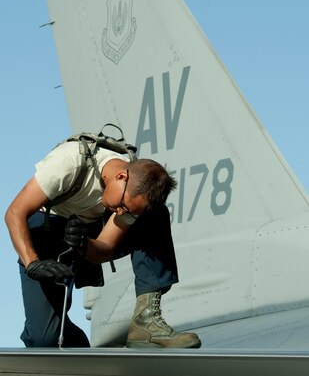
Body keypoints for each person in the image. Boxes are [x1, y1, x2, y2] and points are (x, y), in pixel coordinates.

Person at [5, 140, 201, 348]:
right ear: (121, 176)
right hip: (45, 231)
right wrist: (32, 263)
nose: (119, 213)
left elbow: (104, 248)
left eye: (126, 211)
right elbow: (15, 213)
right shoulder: (69, 162)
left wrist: (83, 244)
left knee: (154, 215)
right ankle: (79, 352)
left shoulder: (129, 200)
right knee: (44, 339)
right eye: (122, 206)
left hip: (85, 231)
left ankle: (146, 321)